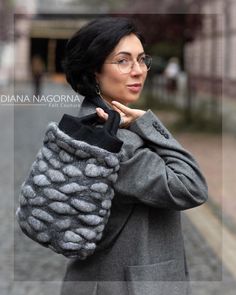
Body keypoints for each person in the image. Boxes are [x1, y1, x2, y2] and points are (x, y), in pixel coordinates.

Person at [60, 17, 208, 295]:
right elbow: (191, 187)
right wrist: (150, 124)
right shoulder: (114, 142)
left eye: (141, 59)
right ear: (94, 71)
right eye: (123, 61)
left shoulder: (92, 124)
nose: (138, 71)